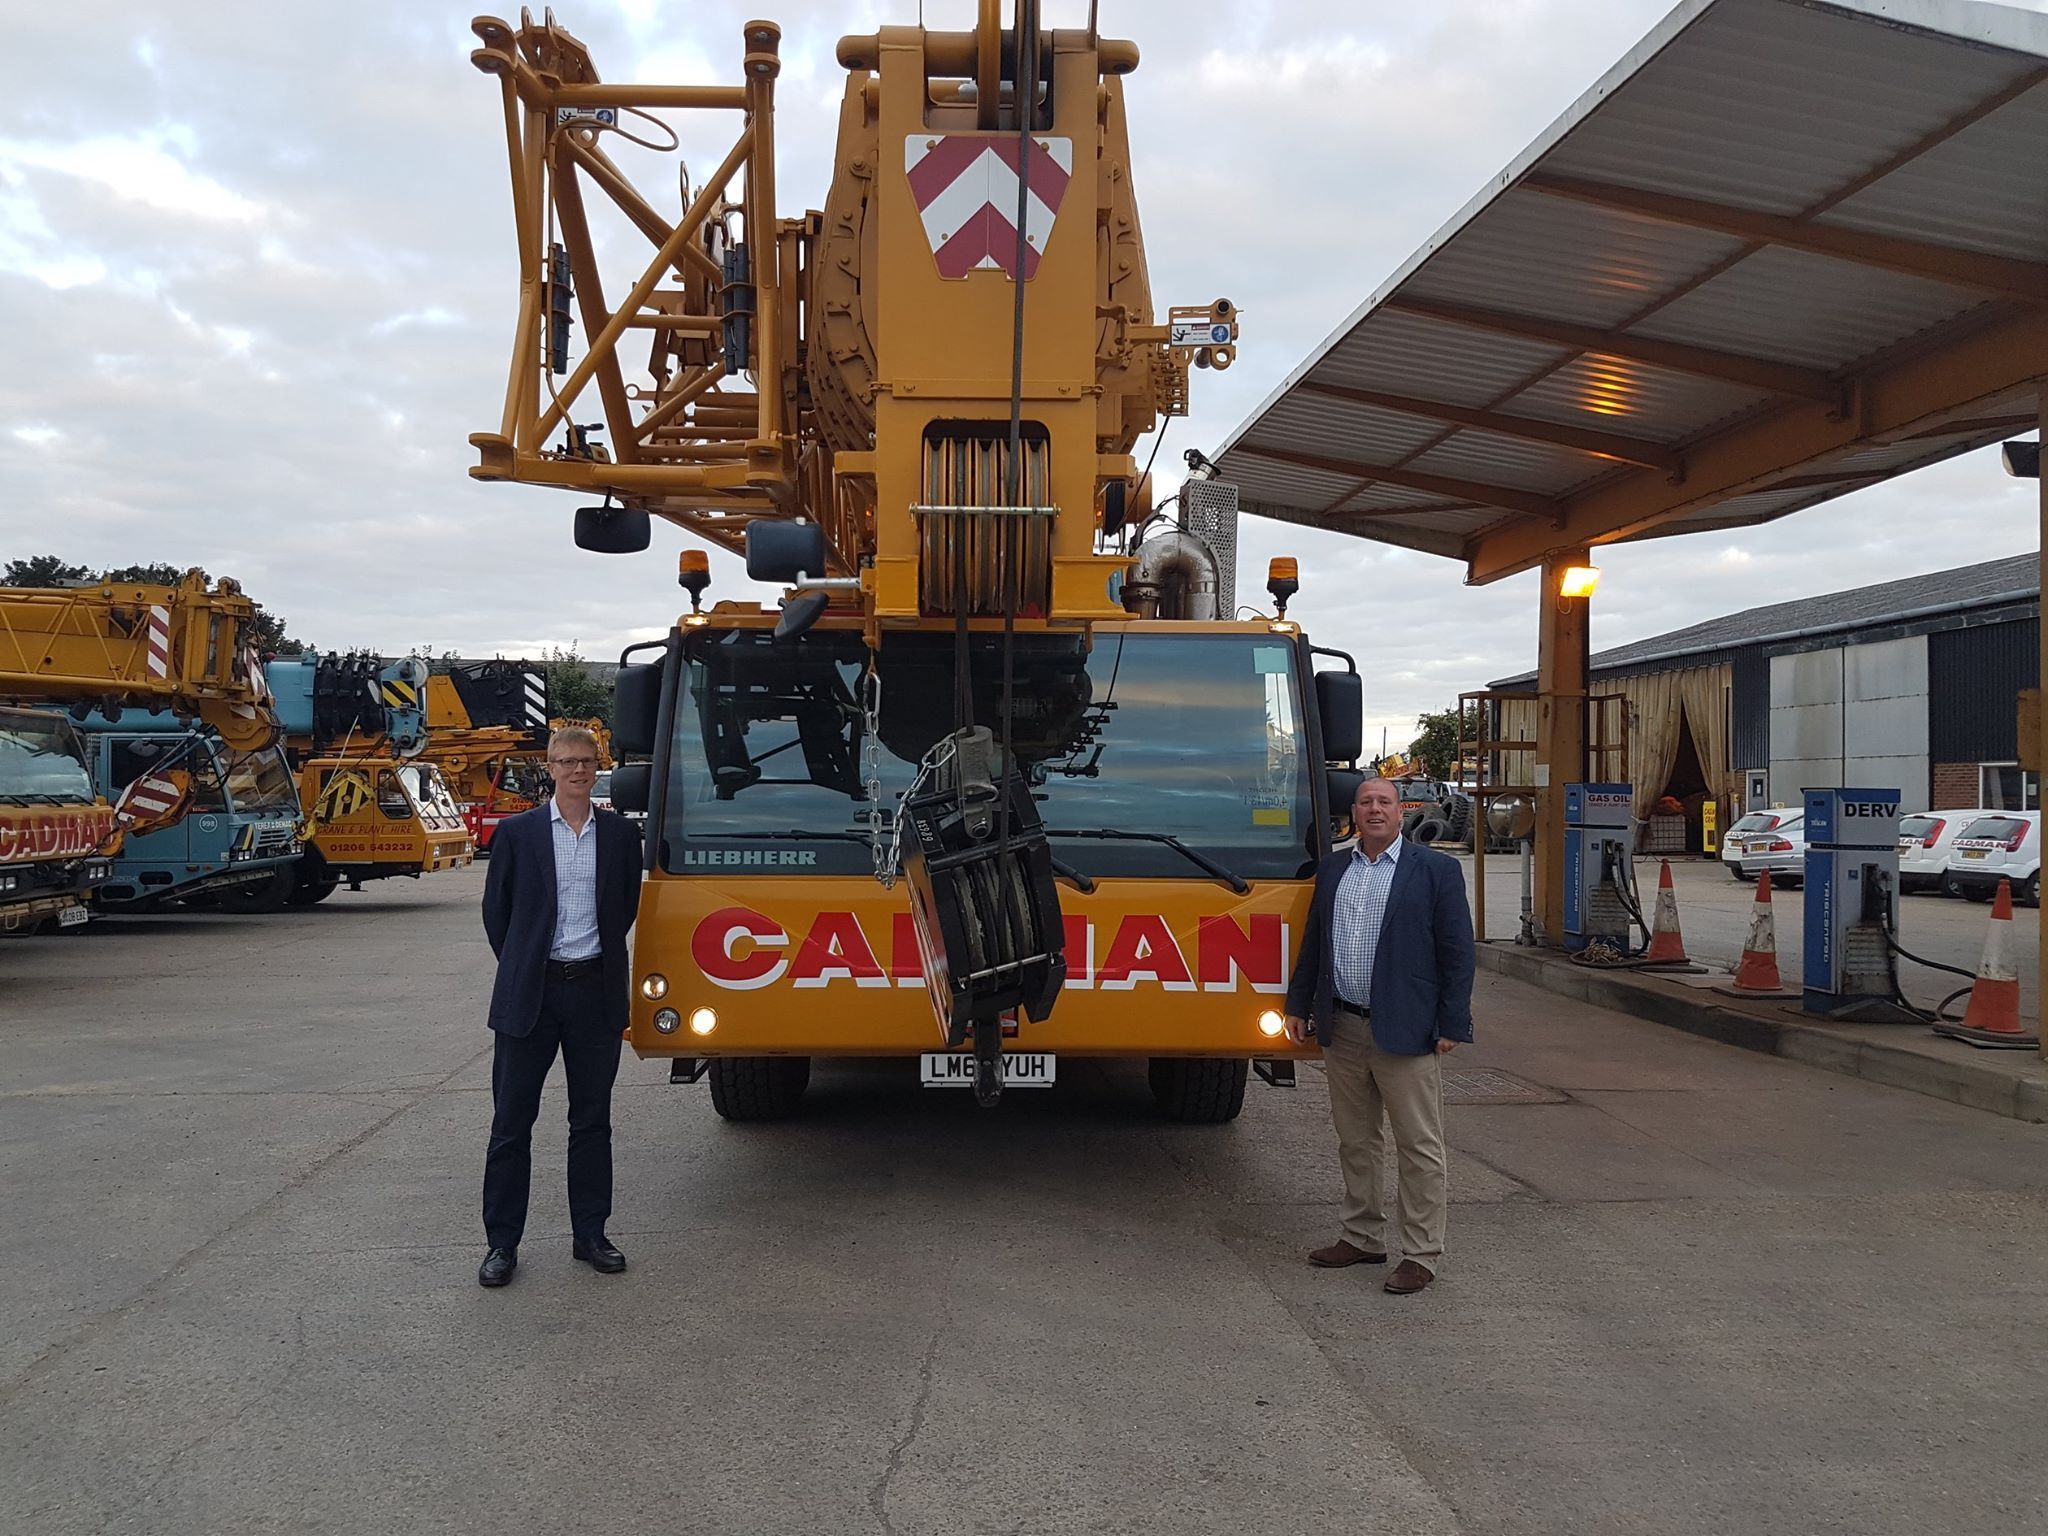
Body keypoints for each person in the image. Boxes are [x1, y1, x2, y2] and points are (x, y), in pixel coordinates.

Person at [1285, 775, 1474, 1295]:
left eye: (1384, 802)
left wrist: (1452, 1023)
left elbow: (1458, 952)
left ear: (1399, 812)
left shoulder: (1435, 870)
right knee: (1356, 1140)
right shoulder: (1334, 869)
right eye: (1366, 801)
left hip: (1407, 1029)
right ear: (1354, 812)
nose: (1374, 809)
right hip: (1342, 1027)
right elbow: (1314, 944)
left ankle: (1422, 1253)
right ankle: (1362, 1236)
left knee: (1418, 1144)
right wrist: (1299, 1005)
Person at [477, 725, 644, 1288]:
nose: (577, 770)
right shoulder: (518, 834)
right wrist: (528, 963)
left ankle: (590, 1235)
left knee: (592, 1122)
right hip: (531, 995)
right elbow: (497, 916)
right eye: (566, 761)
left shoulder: (620, 836)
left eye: (586, 761)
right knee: (511, 1125)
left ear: (598, 767)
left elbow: (622, 911)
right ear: (548, 768)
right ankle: (502, 1244)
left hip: (594, 994)